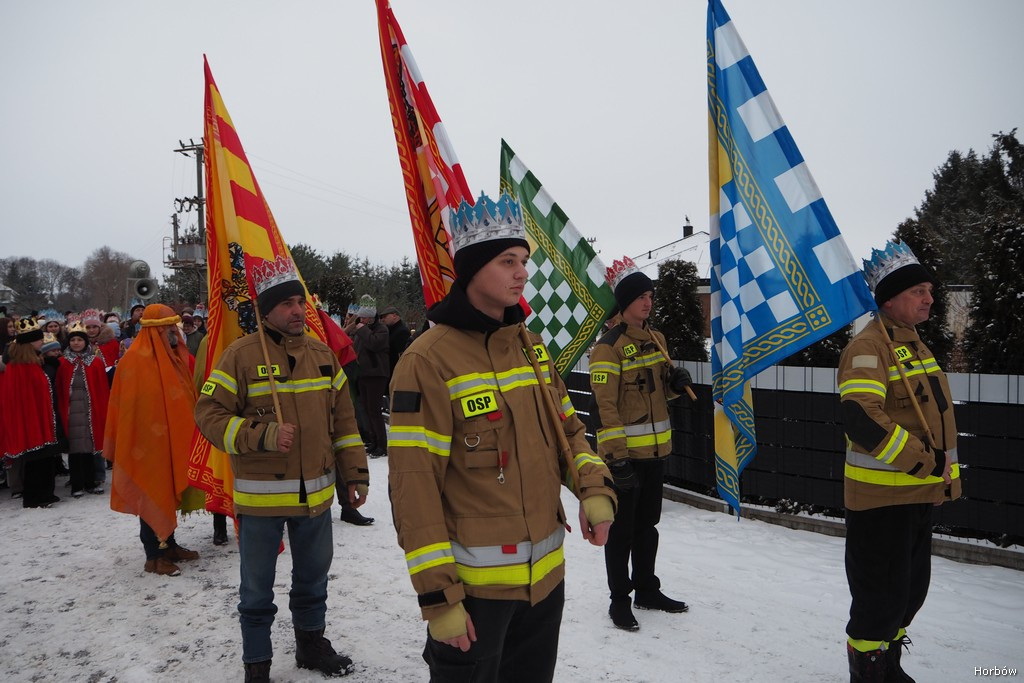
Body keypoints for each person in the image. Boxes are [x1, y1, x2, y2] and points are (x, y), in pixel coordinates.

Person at [388, 192, 616, 682]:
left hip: (545, 584)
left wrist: (594, 489)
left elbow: (569, 432)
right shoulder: (426, 360)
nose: (521, 273)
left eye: (523, 261)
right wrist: (439, 598)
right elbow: (414, 487)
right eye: (507, 261)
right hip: (475, 594)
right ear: (472, 270)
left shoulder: (531, 349)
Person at [194, 255, 369, 682]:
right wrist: (261, 435)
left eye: (300, 302)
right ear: (266, 310)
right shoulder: (239, 356)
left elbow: (344, 424)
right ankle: (257, 662)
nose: (297, 310)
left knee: (313, 580)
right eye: (287, 303)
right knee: (256, 591)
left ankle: (311, 645)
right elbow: (208, 414)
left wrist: (355, 474)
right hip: (261, 501)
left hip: (316, 498)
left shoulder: (323, 356)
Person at [838, 240, 961, 683]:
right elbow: (861, 419)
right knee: (879, 599)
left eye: (929, 290)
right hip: (881, 501)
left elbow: (935, 423)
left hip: (916, 495)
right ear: (889, 299)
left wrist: (941, 483)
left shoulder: (915, 345)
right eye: (918, 291)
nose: (929, 299)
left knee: (908, 594)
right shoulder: (869, 347)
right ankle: (868, 671)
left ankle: (888, 664)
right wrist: (925, 466)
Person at [589, 256, 693, 631]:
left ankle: (647, 590)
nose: (648, 303)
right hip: (626, 459)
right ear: (624, 302)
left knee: (648, 527)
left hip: (655, 454)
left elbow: (660, 393)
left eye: (650, 296)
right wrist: (616, 461)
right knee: (621, 532)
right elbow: (605, 408)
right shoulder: (608, 348)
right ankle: (620, 600)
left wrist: (676, 385)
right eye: (640, 297)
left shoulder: (656, 339)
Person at [104, 304, 204, 577]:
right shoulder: (135, 362)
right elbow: (133, 411)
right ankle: (154, 556)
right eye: (169, 327)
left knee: (168, 491)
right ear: (155, 330)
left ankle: (169, 545)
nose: (175, 332)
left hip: (172, 440)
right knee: (153, 490)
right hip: (147, 447)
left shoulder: (174, 358)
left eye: (175, 326)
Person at [0, 318, 60, 508]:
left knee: (44, 458)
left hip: (40, 417)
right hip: (31, 419)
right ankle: (35, 497)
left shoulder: (33, 362)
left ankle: (45, 493)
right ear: (30, 342)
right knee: (36, 460)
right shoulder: (20, 366)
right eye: (39, 339)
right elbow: (21, 397)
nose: (42, 341)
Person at [57, 321, 111, 497]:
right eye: (73, 340)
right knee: (74, 450)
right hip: (71, 413)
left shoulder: (95, 362)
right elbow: (59, 389)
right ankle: (76, 483)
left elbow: (101, 389)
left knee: (90, 448)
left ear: (85, 342)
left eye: (80, 340)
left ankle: (91, 481)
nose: (76, 343)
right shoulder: (62, 363)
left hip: (90, 411)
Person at [344, 295, 389, 458]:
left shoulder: (381, 329)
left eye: (363, 317)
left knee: (374, 410)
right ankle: (373, 441)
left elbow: (374, 344)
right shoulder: (362, 330)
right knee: (367, 410)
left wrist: (362, 329)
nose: (361, 319)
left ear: (370, 317)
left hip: (376, 374)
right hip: (363, 374)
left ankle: (382, 445)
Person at [379, 305, 411, 376]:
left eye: (385, 317)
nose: (383, 320)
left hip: (396, 371)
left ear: (394, 316)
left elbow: (401, 354)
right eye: (381, 318)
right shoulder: (390, 330)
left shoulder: (402, 332)